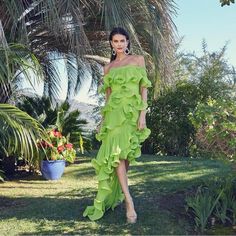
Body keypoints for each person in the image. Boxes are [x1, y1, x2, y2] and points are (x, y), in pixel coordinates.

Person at [83, 27, 151, 223]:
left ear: (128, 42)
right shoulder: (108, 68)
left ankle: (120, 192)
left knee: (126, 155)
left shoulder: (138, 60)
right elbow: (108, 98)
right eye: (115, 41)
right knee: (117, 155)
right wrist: (103, 121)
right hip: (113, 116)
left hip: (131, 116)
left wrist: (142, 115)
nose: (119, 44)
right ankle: (129, 201)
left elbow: (143, 89)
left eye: (122, 41)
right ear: (111, 44)